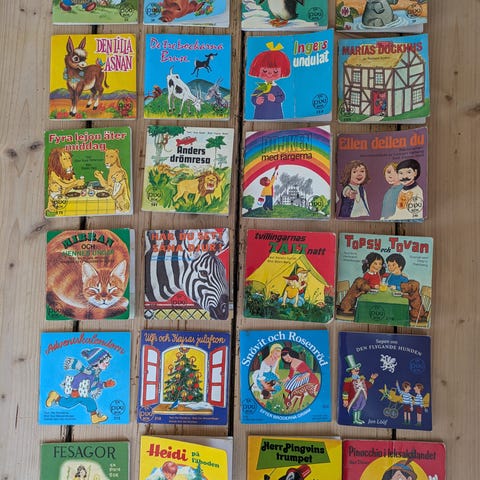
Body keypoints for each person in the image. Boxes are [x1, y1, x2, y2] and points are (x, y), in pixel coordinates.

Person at [45, 348, 115, 424]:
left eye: (108, 362)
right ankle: (55, 396)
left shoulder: (95, 373)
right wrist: (74, 390)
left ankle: (94, 418)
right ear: (97, 362)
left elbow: (95, 384)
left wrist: (105, 384)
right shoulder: (88, 372)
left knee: (89, 402)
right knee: (68, 404)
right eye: (106, 362)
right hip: (77, 393)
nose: (108, 364)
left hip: (83, 394)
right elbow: (76, 379)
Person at [249, 42, 291, 120]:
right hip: (260, 115)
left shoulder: (276, 88)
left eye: (275, 71)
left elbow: (282, 97)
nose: (269, 73)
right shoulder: (260, 88)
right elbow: (253, 97)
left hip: (275, 114)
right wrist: (256, 101)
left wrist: (275, 99)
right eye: (265, 71)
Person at [342, 354, 378, 425]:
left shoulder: (361, 378)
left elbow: (368, 385)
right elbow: (345, 391)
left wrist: (372, 379)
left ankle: (358, 418)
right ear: (352, 371)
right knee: (356, 406)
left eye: (357, 369)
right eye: (355, 369)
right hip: (355, 397)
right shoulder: (348, 381)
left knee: (362, 405)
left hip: (363, 395)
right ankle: (355, 420)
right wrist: (345, 400)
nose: (357, 370)